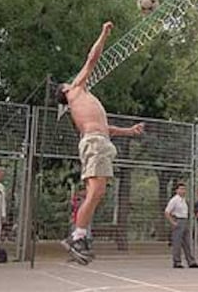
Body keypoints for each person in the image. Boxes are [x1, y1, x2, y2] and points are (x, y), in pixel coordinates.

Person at [56, 21, 144, 265]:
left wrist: (129, 131)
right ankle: (77, 236)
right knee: (95, 192)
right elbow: (92, 59)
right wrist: (104, 34)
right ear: (64, 90)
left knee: (97, 193)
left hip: (100, 141)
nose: (72, 79)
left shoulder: (84, 100)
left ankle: (78, 235)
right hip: (95, 144)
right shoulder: (74, 90)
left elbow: (105, 128)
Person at [164, 182, 198, 269]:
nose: (183, 191)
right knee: (177, 243)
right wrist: (173, 222)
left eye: (184, 189)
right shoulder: (174, 200)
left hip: (185, 221)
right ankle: (177, 262)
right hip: (178, 220)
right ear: (176, 190)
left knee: (187, 242)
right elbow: (167, 212)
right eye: (181, 189)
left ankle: (191, 261)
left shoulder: (184, 200)